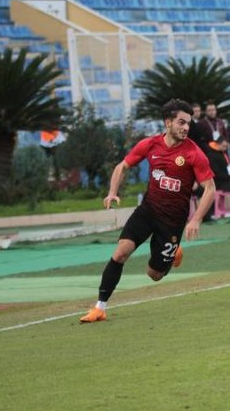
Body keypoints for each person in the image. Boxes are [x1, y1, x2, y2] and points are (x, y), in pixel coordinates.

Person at [80, 99, 216, 323]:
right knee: (120, 253)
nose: (185, 128)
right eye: (181, 122)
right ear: (168, 122)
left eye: (188, 124)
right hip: (148, 210)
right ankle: (99, 308)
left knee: (154, 275)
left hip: (172, 221)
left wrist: (196, 219)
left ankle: (174, 253)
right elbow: (122, 166)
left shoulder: (193, 153)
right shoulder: (150, 144)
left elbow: (210, 188)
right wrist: (112, 192)